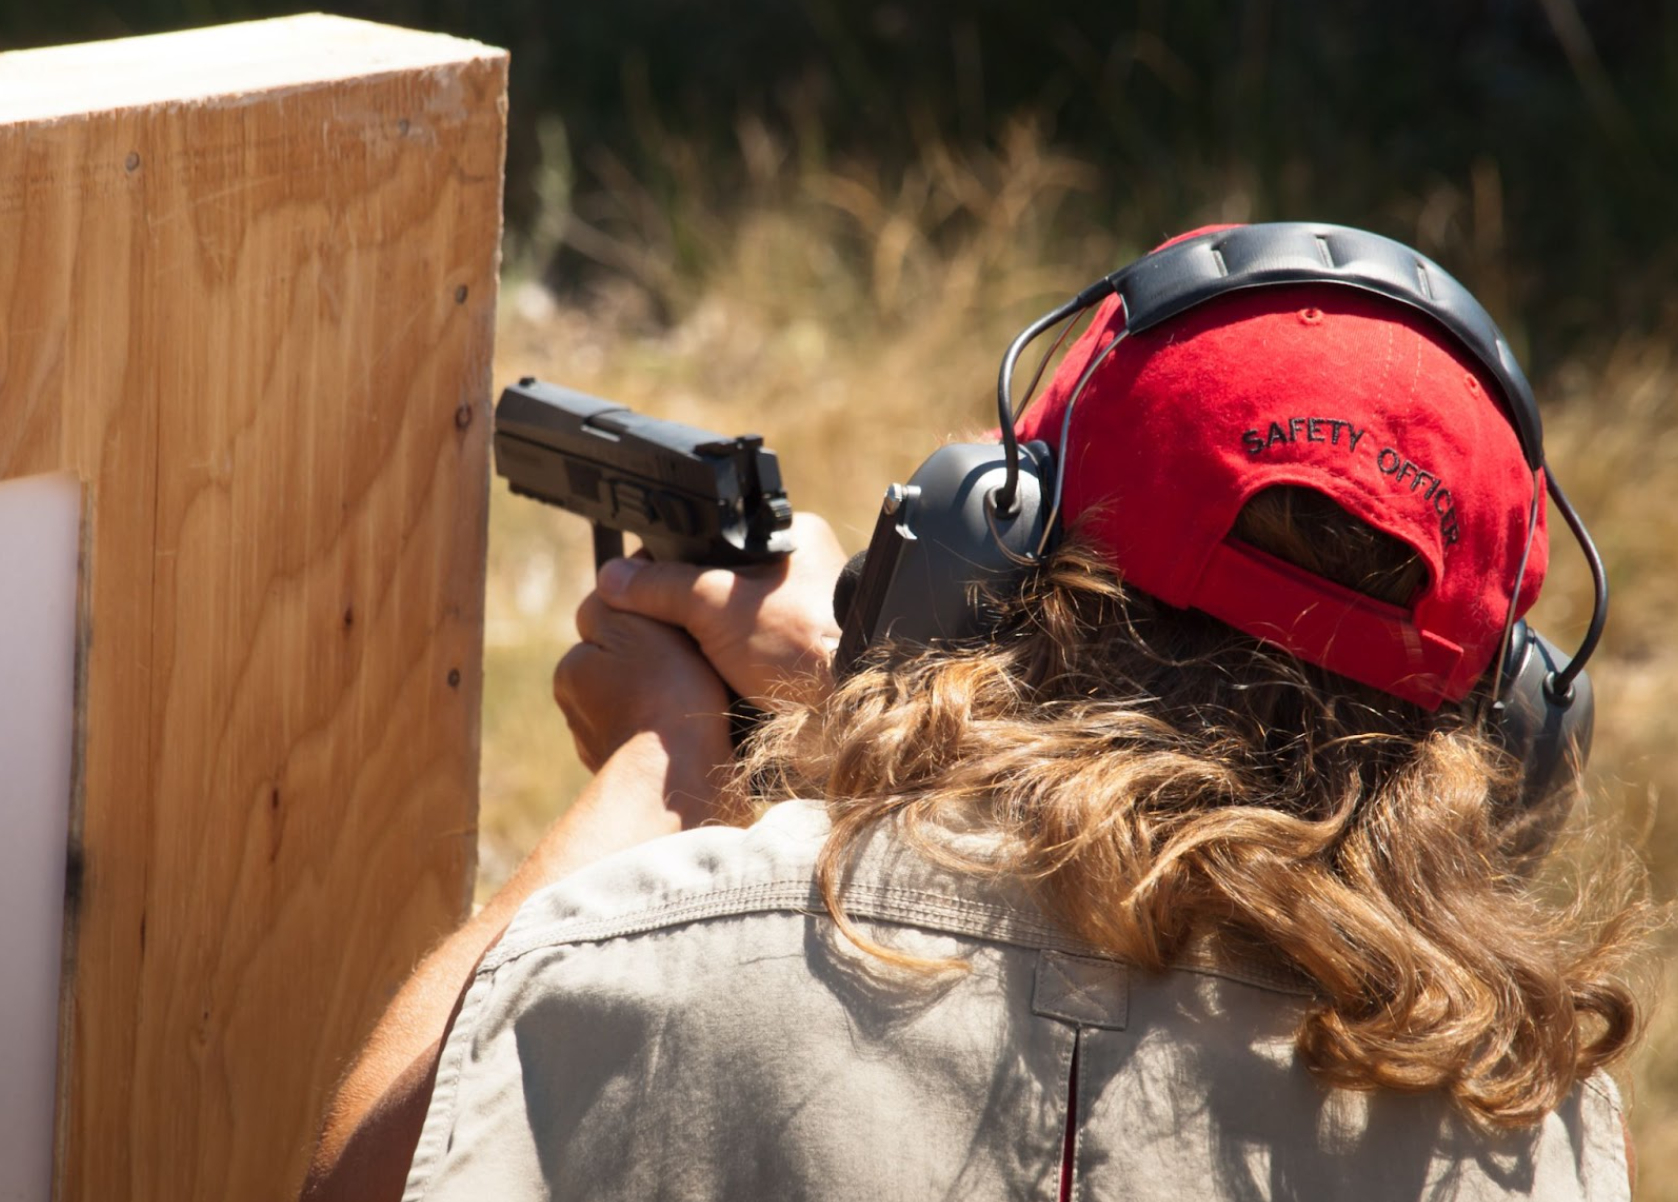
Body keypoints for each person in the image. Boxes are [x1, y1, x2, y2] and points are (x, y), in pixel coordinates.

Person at [303, 225, 1648, 1201]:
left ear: (980, 550)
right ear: (1511, 729)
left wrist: (662, 766)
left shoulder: (670, 958)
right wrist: (855, 707)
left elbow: (365, 1173)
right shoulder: (1513, 1124)